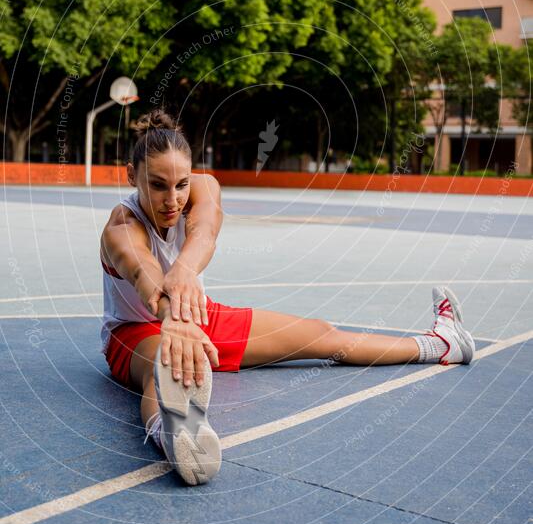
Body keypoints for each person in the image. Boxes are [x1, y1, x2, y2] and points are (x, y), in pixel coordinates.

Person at [100, 110, 475, 486]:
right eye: (157, 185)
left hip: (199, 316)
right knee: (163, 371)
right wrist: (173, 317)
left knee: (323, 335)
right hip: (135, 330)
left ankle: (442, 343)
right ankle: (174, 438)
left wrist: (183, 273)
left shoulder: (204, 187)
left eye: (181, 184)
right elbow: (143, 273)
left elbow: (205, 231)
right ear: (131, 176)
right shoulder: (122, 226)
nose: (172, 199)